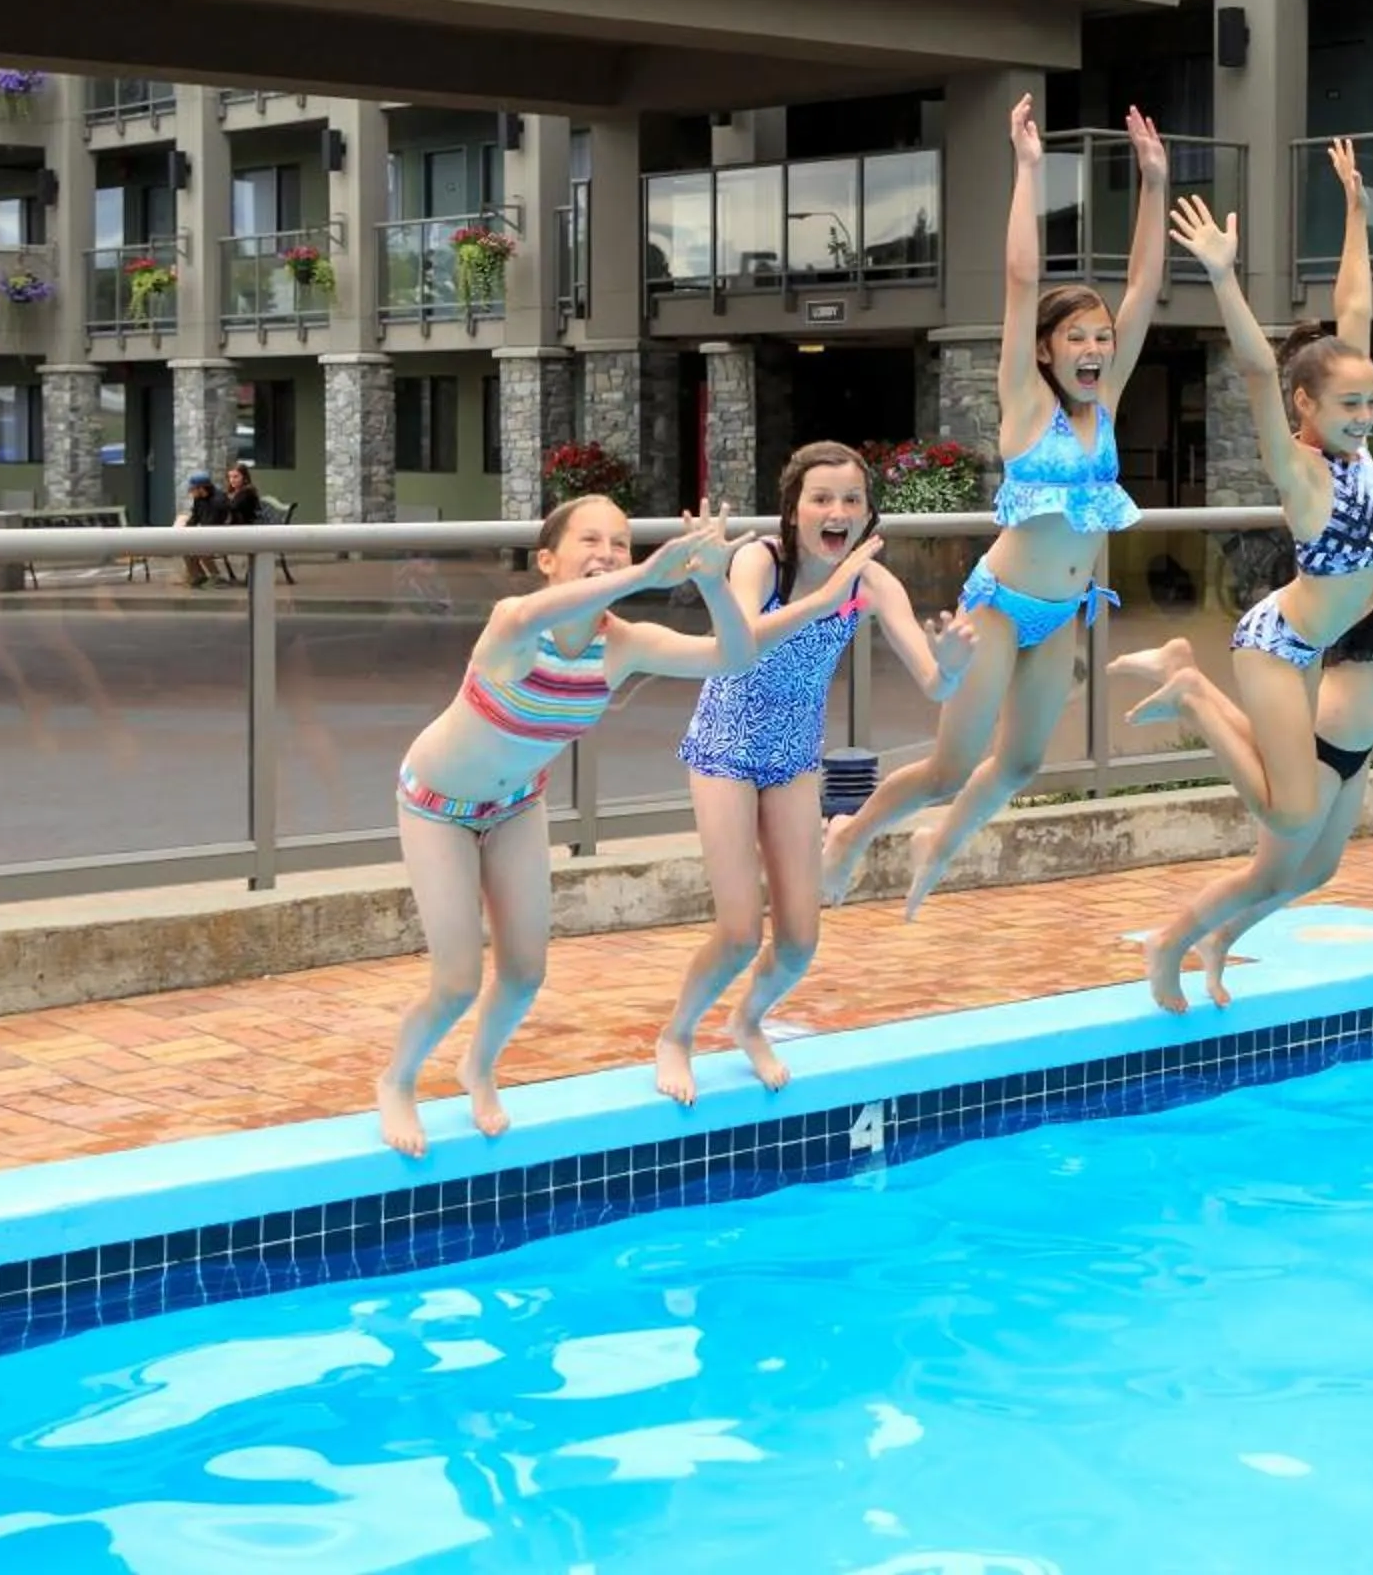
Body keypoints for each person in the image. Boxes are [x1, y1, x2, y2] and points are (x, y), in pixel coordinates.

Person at [375, 496, 875, 1159]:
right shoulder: (515, 624)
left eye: (619, 541)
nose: (606, 552)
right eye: (590, 540)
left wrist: (709, 583)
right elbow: (527, 611)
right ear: (547, 559)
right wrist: (645, 573)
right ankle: (398, 1079)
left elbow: (731, 656)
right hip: (436, 804)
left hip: (517, 804)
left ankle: (479, 1067)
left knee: (524, 974)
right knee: (458, 979)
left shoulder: (622, 644)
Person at [1110, 191, 1373, 887]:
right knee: (1292, 817)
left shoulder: (1358, 454)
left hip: (1307, 648)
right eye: (1352, 405)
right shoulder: (1301, 473)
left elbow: (1355, 309)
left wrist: (1357, 213)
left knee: (1302, 824)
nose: (1367, 416)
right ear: (1308, 405)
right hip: (1277, 640)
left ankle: (1189, 681)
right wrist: (1220, 276)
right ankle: (1192, 691)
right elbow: (1257, 371)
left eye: (1371, 403)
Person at [819, 97, 1169, 913]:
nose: (1093, 348)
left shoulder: (1106, 403)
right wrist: (1028, 170)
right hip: (1003, 608)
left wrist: (1153, 184)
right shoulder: (1026, 401)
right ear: (1047, 350)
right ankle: (849, 833)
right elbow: (1020, 282)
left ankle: (939, 842)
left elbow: (1146, 286)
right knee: (950, 765)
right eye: (1076, 337)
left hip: (1066, 610)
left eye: (1100, 337)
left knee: (1018, 766)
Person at [1130, 332, 1373, 1010]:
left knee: (1314, 872)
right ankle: (1171, 942)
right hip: (1324, 738)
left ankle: (1219, 944)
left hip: (1359, 746)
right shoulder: (1356, 566)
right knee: (1270, 869)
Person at [656, 440, 977, 1104]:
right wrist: (825, 597)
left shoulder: (871, 582)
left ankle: (747, 1021)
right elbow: (739, 646)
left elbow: (933, 685)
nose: (837, 510)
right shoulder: (759, 562)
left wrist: (949, 666)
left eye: (852, 500)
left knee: (800, 940)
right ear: (794, 509)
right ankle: (678, 1035)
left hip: (794, 756)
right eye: (822, 498)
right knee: (742, 929)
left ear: (867, 515)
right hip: (725, 747)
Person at [176, 471, 228, 588]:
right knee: (185, 550)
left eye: (193, 489)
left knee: (201, 550)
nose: (191, 492)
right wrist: (184, 531)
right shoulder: (199, 498)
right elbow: (195, 517)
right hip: (206, 533)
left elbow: (212, 525)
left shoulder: (218, 501)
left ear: (201, 488)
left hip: (221, 535)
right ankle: (198, 576)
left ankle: (216, 577)